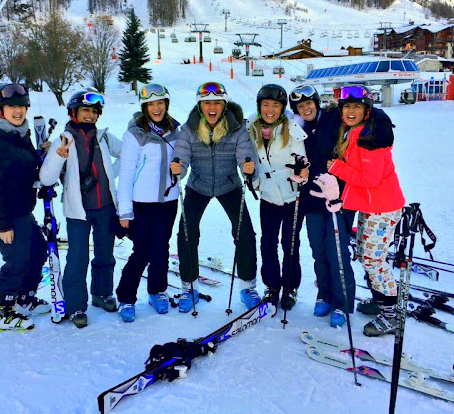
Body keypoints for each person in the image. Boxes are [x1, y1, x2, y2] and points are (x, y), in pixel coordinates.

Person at [170, 82, 260, 313]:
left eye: (217, 103)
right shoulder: (188, 129)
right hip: (198, 185)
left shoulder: (237, 128)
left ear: (224, 106)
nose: (212, 108)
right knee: (187, 233)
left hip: (229, 185)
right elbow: (182, 156)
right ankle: (190, 287)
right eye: (207, 103)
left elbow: (245, 155)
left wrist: (248, 168)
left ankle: (248, 286)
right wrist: (178, 169)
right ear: (200, 106)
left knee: (245, 232)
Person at [326, 85, 405, 337]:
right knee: (364, 255)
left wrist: (337, 168)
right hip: (371, 206)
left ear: (367, 111)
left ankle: (391, 316)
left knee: (373, 261)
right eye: (347, 106)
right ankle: (381, 299)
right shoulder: (358, 132)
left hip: (382, 207)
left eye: (357, 107)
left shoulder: (370, 140)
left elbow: (370, 179)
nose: (351, 111)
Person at [39, 90, 122, 328]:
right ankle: (75, 305)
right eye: (86, 110)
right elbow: (46, 178)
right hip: (78, 212)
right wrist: (58, 157)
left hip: (106, 207)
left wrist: (112, 174)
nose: (91, 115)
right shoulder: (63, 140)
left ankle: (102, 293)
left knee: (105, 255)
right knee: (77, 258)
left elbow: (127, 153)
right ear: (73, 113)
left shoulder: (103, 137)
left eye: (94, 111)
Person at [0, 83, 50, 331]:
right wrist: (3, 225)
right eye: (11, 106)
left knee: (38, 251)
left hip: (21, 209)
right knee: (17, 260)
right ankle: (2, 311)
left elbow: (24, 165)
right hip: (5, 212)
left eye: (21, 106)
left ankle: (24, 298)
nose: (18, 111)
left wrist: (41, 154)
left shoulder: (19, 132)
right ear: (0, 110)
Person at [289, 85, 356, 327]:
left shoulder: (334, 119)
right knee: (318, 250)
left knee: (336, 251)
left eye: (309, 103)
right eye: (300, 106)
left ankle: (342, 302)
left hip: (338, 196)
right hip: (311, 197)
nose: (305, 108)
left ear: (317, 103)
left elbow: (363, 117)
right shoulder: (296, 130)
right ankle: (324, 294)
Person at [115, 84, 181, 322]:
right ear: (144, 107)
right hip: (141, 203)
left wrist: (180, 170)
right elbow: (126, 174)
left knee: (161, 248)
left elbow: (182, 164)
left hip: (168, 201)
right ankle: (126, 297)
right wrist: (125, 212)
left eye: (160, 103)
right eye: (151, 104)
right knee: (141, 251)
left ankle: (157, 290)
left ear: (166, 104)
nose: (156, 108)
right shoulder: (134, 134)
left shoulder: (176, 131)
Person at [247, 84, 309, 310]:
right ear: (259, 106)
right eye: (266, 105)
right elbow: (246, 158)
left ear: (282, 108)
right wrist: (249, 174)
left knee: (290, 243)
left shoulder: (291, 129)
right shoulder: (251, 129)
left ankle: (290, 287)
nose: (270, 110)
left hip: (291, 195)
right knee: (268, 243)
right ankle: (272, 285)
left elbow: (302, 160)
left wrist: (302, 172)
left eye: (275, 105)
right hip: (268, 195)